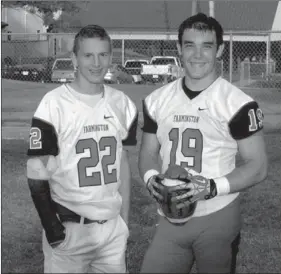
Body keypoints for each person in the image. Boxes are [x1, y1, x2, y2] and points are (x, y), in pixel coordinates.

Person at [138, 13, 268, 274]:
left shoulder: (236, 103)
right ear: (179, 49)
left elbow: (258, 166)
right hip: (169, 218)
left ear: (219, 50)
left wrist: (210, 187)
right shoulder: (157, 99)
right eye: (189, 45)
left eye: (206, 46)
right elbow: (148, 152)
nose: (197, 55)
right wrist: (152, 177)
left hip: (217, 216)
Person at [26, 25, 138, 273]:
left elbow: (123, 165)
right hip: (70, 227)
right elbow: (35, 172)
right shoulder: (54, 104)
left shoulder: (123, 104)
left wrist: (124, 222)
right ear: (74, 59)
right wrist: (52, 229)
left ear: (111, 56)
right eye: (88, 55)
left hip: (111, 229)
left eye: (103, 55)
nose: (97, 63)